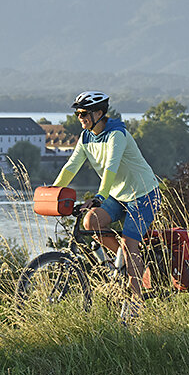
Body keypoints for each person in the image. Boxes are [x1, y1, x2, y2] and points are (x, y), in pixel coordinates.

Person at [51, 90, 161, 315]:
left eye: (84, 113)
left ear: (99, 113)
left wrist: (100, 196)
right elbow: (71, 166)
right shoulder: (86, 137)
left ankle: (137, 304)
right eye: (78, 114)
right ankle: (125, 263)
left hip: (143, 194)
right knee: (91, 222)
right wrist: (53, 190)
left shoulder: (116, 135)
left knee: (131, 246)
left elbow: (110, 168)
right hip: (119, 195)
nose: (80, 117)